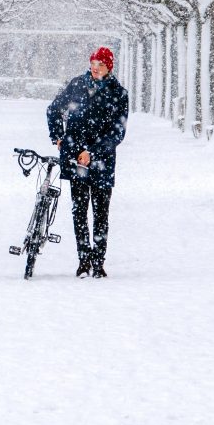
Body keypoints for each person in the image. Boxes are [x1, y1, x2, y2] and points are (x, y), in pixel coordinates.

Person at [46, 47, 129, 278]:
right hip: (75, 160)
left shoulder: (119, 94)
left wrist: (92, 152)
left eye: (101, 64)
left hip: (102, 162)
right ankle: (83, 260)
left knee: (101, 214)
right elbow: (53, 110)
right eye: (93, 62)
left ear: (109, 67)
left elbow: (117, 132)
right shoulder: (76, 85)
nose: (95, 67)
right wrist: (58, 137)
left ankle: (98, 262)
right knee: (79, 212)